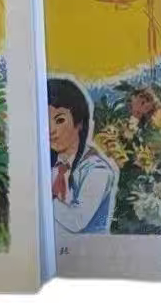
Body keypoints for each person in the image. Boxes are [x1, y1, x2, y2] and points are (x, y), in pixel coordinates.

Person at [48, 77, 118, 235]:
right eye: (45, 121)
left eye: (59, 120)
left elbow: (76, 221)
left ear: (79, 123)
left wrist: (45, 197)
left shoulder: (97, 169)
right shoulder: (48, 165)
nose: (51, 130)